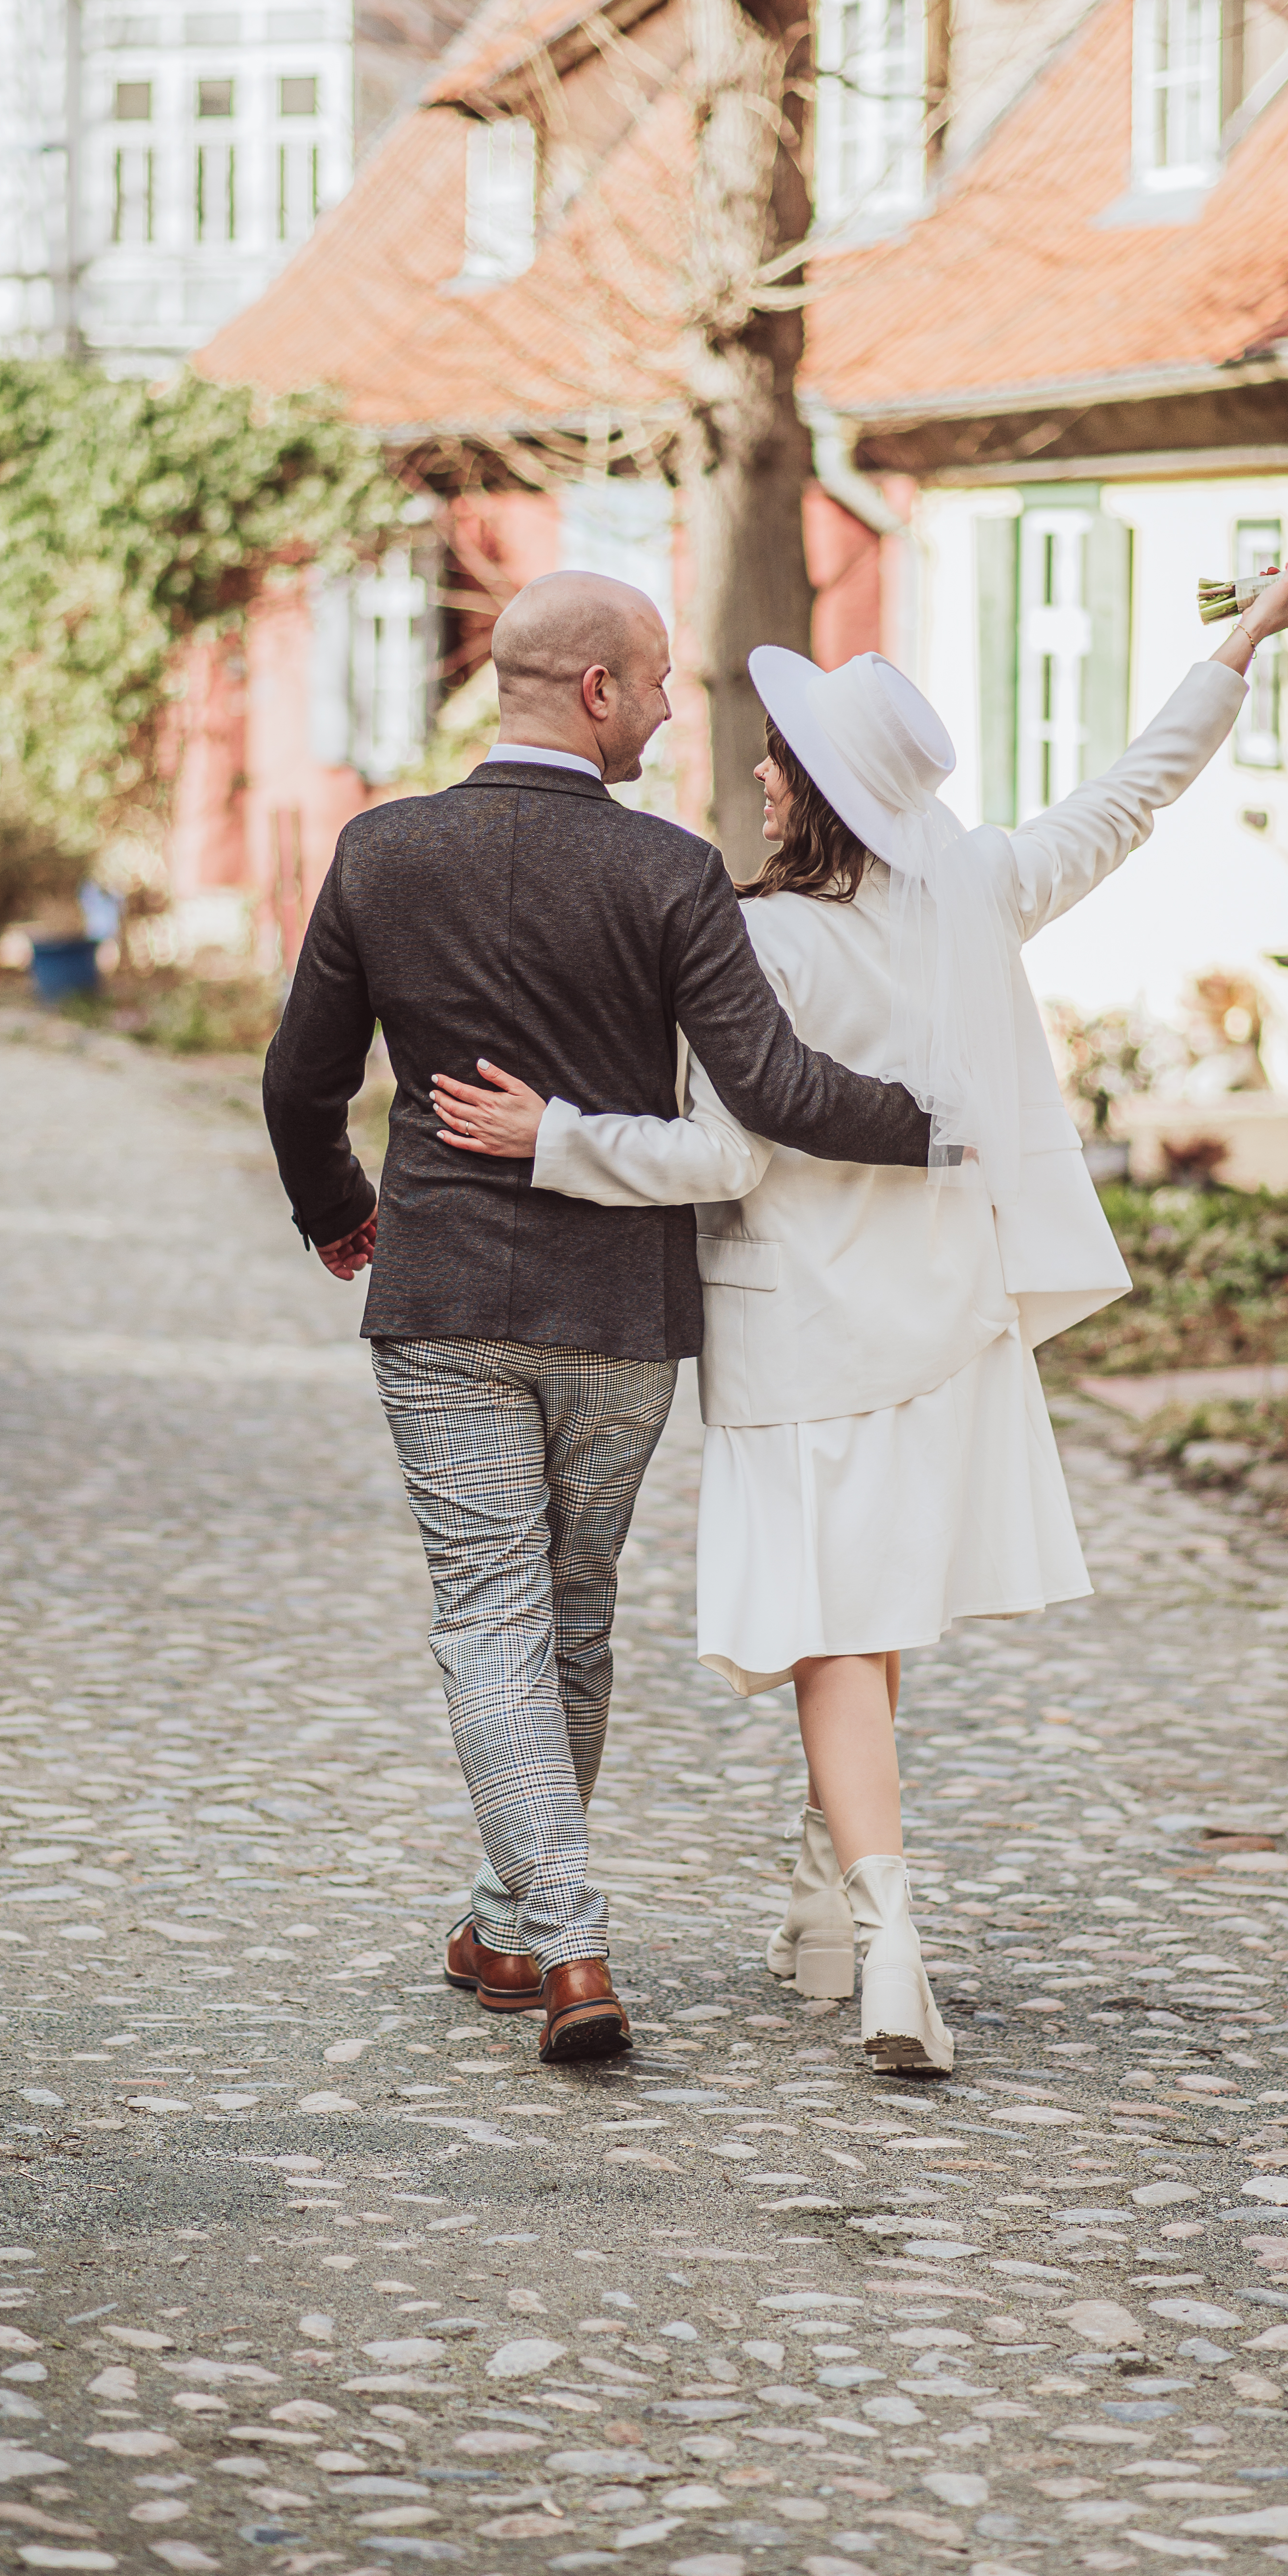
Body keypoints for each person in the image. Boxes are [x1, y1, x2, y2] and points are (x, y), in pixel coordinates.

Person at [429, 558, 1288, 2073]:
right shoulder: (979, 887)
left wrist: (556, 1137)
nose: (762, 771)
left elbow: (722, 1154)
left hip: (802, 1338)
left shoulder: (765, 942)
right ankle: (829, 1908)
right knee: (875, 1624)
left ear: (822, 792)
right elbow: (1134, 792)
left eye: (782, 758)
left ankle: (897, 1937)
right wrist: (1241, 644)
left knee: (833, 1639)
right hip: (950, 1329)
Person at [261, 571, 935, 2066]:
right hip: (622, 1315)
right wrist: (939, 1128)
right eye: (659, 682)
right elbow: (772, 1091)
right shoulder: (670, 872)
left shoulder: (382, 853)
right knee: (565, 1620)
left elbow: (302, 1081)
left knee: (494, 1620)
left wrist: (340, 1212)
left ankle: (544, 1934)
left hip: (442, 1303)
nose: (672, 708)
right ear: (596, 694)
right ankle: (542, 1939)